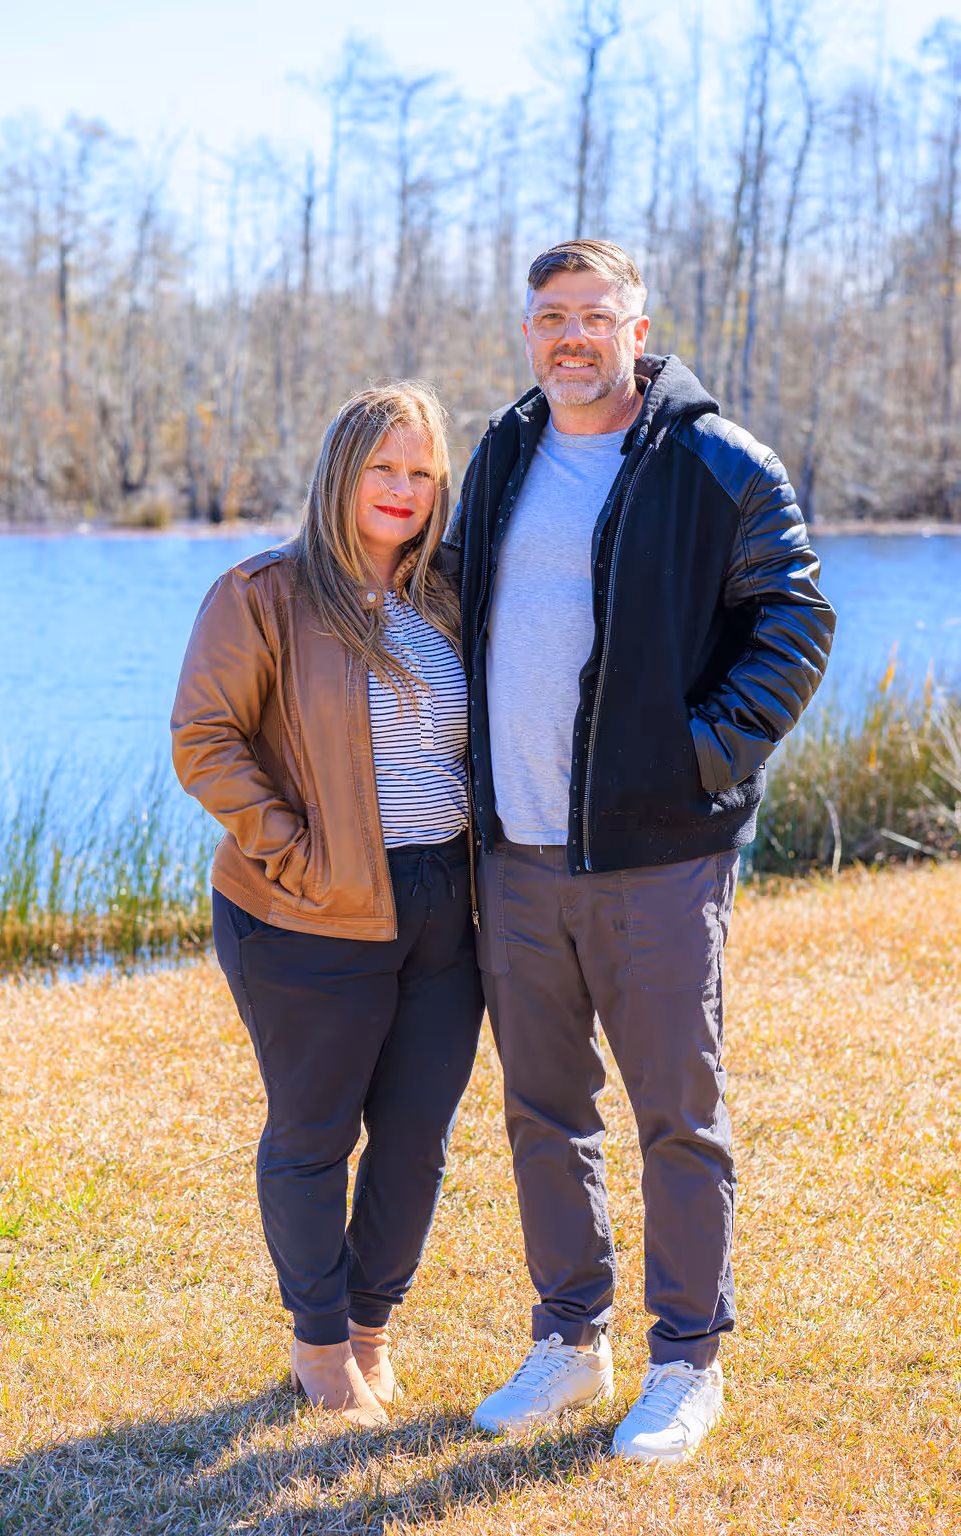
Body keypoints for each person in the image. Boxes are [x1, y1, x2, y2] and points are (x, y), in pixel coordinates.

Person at [449, 240, 835, 1462]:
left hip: (658, 855)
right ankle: (571, 1341)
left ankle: (686, 1362)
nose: (569, 336)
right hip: (515, 850)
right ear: (527, 332)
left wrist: (700, 757)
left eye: (592, 316)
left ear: (636, 323)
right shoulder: (504, 452)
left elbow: (797, 617)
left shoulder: (716, 461)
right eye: (548, 317)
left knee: (678, 1114)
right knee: (542, 1109)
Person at [171, 383, 483, 1430]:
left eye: (421, 472)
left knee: (414, 1136)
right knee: (314, 1134)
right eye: (382, 468)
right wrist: (294, 851)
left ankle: (369, 1328)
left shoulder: (449, 600)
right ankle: (317, 1347)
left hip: (444, 903)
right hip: (308, 910)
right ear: (341, 475)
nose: (401, 490)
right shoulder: (263, 594)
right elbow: (204, 740)